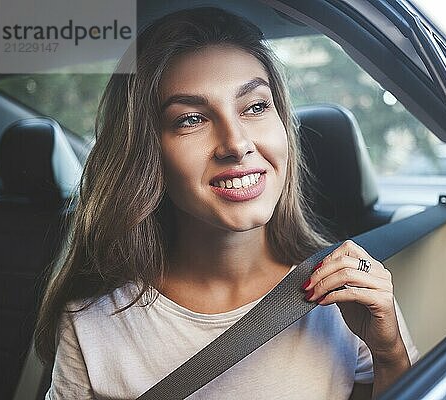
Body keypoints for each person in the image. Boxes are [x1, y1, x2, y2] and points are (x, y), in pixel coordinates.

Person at [35, 7, 419, 400]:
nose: (236, 144)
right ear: (146, 153)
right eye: (191, 119)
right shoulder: (90, 321)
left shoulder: (350, 291)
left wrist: (389, 355)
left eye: (255, 107)